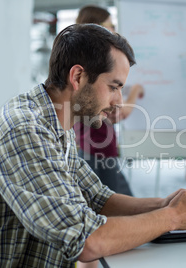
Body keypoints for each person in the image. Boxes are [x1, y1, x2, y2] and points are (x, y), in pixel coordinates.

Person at [0, 24, 186, 267]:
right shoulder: (24, 130)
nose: (118, 102)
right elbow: (86, 239)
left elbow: (96, 198)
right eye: (113, 87)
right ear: (78, 76)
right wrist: (173, 217)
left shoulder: (55, 122)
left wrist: (165, 204)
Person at [74, 5, 144, 196]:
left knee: (119, 203)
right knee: (117, 207)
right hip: (97, 152)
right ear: (97, 28)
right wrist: (135, 91)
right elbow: (117, 114)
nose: (114, 30)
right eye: (110, 25)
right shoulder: (93, 69)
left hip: (96, 150)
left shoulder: (85, 64)